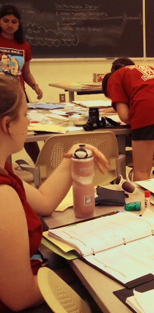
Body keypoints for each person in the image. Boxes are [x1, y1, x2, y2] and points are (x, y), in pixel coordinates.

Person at [0, 74, 109, 312]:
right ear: (7, 125)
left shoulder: (4, 170)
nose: (29, 122)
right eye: (26, 115)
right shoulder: (2, 195)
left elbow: (44, 202)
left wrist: (74, 155)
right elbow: (20, 296)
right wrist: (78, 274)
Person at [102, 58, 154, 181]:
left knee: (142, 171)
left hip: (149, 111)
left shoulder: (113, 79)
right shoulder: (145, 69)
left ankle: (142, 201)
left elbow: (124, 116)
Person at [1, 4, 44, 163]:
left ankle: (40, 165)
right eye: (6, 20)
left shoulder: (24, 45)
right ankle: (5, 171)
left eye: (14, 21)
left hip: (18, 94)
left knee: (23, 130)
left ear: (19, 24)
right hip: (1, 95)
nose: (10, 25)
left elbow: (25, 72)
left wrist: (35, 86)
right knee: (3, 134)